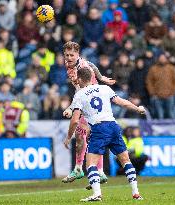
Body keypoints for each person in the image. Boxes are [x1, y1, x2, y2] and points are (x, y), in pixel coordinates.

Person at [64, 68, 145, 201]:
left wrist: (68, 137)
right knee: (126, 160)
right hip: (113, 126)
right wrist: (137, 108)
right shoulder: (104, 88)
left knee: (90, 164)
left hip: (99, 128)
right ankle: (136, 193)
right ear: (91, 77)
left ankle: (96, 194)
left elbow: (74, 120)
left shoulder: (79, 94)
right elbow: (122, 102)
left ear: (79, 79)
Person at [62, 41, 115, 185]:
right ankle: (96, 171)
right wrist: (101, 77)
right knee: (83, 136)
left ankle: (90, 170)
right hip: (86, 99)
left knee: (86, 135)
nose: (69, 57)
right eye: (66, 54)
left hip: (91, 103)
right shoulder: (73, 63)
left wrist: (71, 108)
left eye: (72, 55)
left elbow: (81, 92)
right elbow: (92, 63)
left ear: (77, 54)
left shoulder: (82, 68)